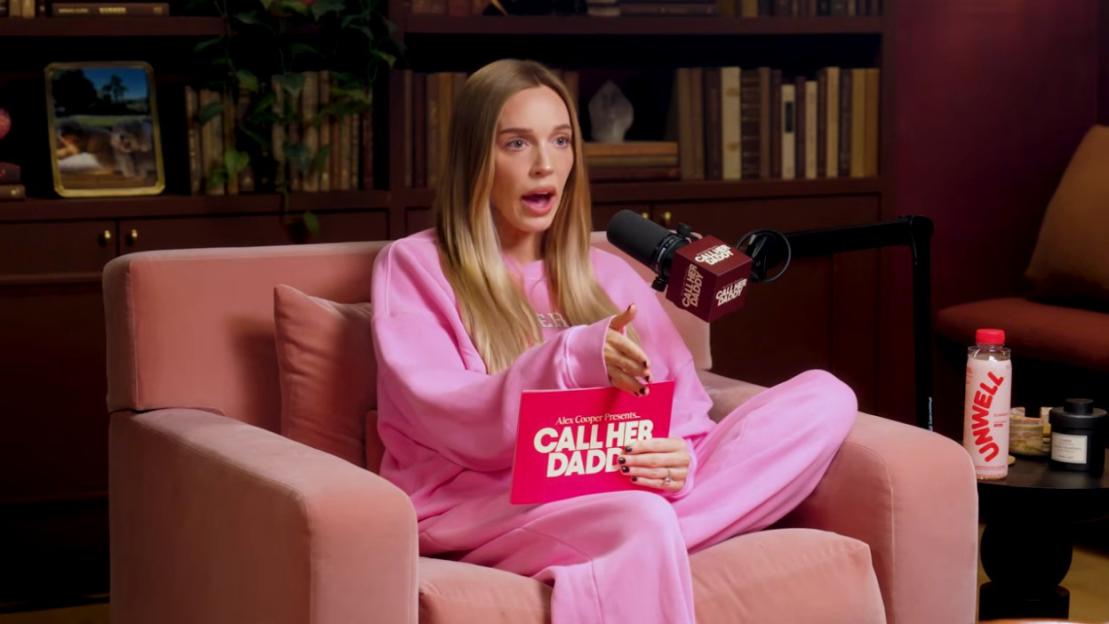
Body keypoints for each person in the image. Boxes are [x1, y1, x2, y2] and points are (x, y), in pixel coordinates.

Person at [370, 59, 857, 623]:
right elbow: (450, 417)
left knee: (826, 397)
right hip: (488, 501)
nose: (544, 165)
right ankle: (643, 536)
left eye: (560, 140)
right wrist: (575, 355)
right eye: (516, 144)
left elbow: (683, 407)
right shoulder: (414, 266)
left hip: (611, 485)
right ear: (474, 158)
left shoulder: (607, 273)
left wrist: (678, 460)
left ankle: (640, 542)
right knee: (639, 518)